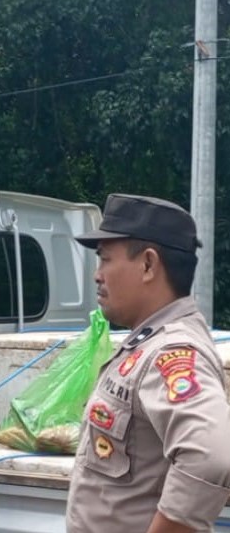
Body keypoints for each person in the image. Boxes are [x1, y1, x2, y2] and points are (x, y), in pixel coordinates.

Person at [66, 194, 230, 533]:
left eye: (106, 260)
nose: (98, 276)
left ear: (148, 265)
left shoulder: (172, 351)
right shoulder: (147, 342)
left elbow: (211, 457)